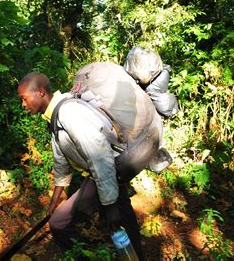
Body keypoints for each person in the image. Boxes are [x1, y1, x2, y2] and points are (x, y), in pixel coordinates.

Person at [18, 72, 152, 260]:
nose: (23, 105)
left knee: (59, 223)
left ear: (40, 92)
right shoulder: (55, 116)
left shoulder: (69, 113)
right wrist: (55, 199)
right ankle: (136, 256)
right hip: (110, 172)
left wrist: (109, 204)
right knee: (124, 217)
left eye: (24, 99)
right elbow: (61, 160)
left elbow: (99, 155)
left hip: (106, 170)